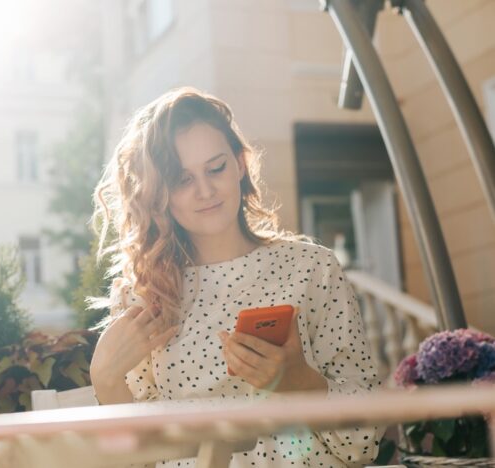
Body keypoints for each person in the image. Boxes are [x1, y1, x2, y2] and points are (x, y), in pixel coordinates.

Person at [88, 87, 383, 467]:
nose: (206, 190)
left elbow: (366, 440)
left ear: (240, 164)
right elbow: (136, 459)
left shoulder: (312, 269)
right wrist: (105, 379)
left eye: (216, 168)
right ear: (160, 193)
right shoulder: (144, 296)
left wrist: (301, 384)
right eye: (182, 179)